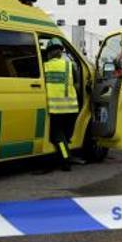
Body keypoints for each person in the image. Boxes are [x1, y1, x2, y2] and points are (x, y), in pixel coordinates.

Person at [44, 38, 79, 171]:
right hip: (72, 109)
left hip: (56, 110)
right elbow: (76, 84)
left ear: (49, 53)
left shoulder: (45, 66)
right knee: (64, 136)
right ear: (60, 52)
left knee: (57, 137)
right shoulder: (69, 65)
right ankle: (63, 156)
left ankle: (66, 159)